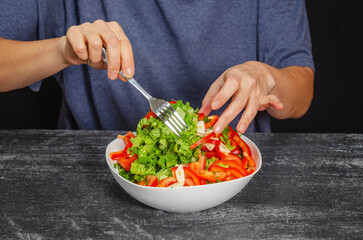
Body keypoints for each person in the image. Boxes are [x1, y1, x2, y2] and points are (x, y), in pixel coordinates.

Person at [0, 0, 314, 134]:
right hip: (90, 179)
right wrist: (61, 51)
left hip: (231, 184)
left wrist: (267, 79)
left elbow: (301, 91)